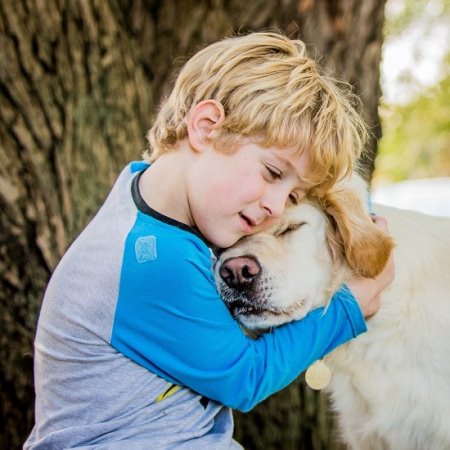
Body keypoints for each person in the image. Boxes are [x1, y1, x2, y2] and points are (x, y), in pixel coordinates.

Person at [24, 32, 395, 449]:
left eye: (292, 196)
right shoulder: (154, 259)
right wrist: (348, 308)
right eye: (272, 173)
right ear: (205, 128)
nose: (275, 206)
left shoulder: (144, 202)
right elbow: (244, 377)